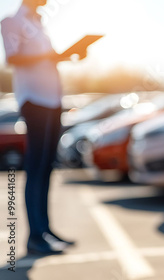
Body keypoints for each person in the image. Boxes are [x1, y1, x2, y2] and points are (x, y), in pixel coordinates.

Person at [1, 0, 86, 255]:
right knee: (36, 166)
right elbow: (13, 57)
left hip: (52, 100)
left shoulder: (39, 24)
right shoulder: (12, 21)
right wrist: (52, 55)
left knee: (47, 167)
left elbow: (44, 60)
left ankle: (45, 230)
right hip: (34, 101)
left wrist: (66, 56)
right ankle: (35, 236)